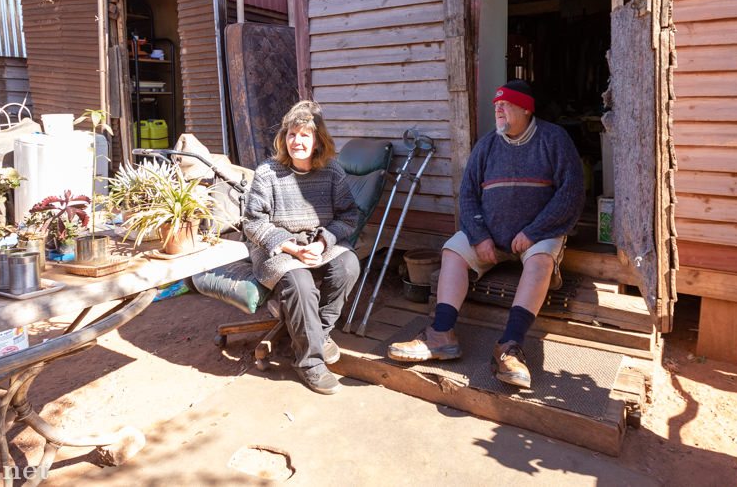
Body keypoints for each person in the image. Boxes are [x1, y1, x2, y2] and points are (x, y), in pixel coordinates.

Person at [387, 80, 584, 388]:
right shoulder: (487, 144)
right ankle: (440, 335)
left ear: (525, 108)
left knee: (542, 260)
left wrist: (535, 231)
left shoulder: (554, 139)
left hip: (535, 235)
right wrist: (479, 235)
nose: (498, 109)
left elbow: (571, 194)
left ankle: (510, 346)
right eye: (496, 105)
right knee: (452, 251)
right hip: (490, 235)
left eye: (504, 105)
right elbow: (467, 195)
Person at [243, 100, 361, 395]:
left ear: (317, 140)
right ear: (283, 139)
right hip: (276, 247)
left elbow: (349, 216)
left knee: (348, 265)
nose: (297, 141)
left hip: (318, 241)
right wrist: (294, 249)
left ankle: (319, 333)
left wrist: (322, 243)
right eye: (291, 134)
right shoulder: (268, 173)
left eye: (305, 135)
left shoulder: (333, 171)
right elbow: (253, 223)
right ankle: (309, 362)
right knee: (300, 283)